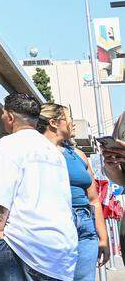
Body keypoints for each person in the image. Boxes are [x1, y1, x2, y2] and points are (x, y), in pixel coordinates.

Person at [0, 93, 77, 281]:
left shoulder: (8, 144)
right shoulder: (53, 151)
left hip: (22, 245)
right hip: (61, 246)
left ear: (10, 117)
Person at [38, 103, 108, 280]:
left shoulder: (78, 154)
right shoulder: (35, 151)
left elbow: (94, 199)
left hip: (85, 224)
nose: (73, 123)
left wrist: (103, 238)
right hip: (52, 225)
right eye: (69, 118)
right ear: (53, 122)